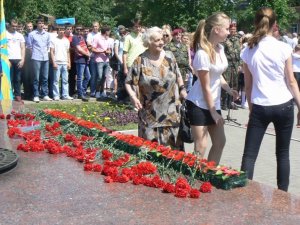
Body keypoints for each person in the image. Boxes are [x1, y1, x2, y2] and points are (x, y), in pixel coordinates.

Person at [240, 7, 300, 192]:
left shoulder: (248, 50)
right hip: (284, 105)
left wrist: (251, 109)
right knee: (282, 154)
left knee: (249, 155)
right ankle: (283, 195)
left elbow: (248, 86)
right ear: (275, 25)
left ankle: (243, 192)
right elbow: (291, 81)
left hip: (260, 105)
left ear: (255, 23)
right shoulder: (283, 47)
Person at [185, 12, 238, 164]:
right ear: (216, 29)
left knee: (220, 142)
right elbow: (205, 86)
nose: (229, 32)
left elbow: (217, 74)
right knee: (201, 146)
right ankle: (192, 179)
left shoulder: (220, 49)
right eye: (227, 28)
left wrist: (228, 89)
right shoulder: (202, 53)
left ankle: (208, 173)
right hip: (199, 104)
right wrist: (213, 113)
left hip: (213, 104)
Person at [125, 27, 187, 150]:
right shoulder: (140, 60)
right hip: (149, 115)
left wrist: (182, 89)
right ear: (149, 42)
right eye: (157, 40)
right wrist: (133, 97)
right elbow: (128, 82)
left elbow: (178, 76)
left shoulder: (170, 57)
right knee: (150, 152)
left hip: (171, 113)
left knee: (174, 154)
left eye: (162, 39)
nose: (161, 42)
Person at [27, 17, 51, 102]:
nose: (41, 25)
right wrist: (33, 55)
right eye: (39, 23)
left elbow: (48, 46)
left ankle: (44, 94)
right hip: (36, 58)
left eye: (42, 23)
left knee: (45, 77)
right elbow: (29, 47)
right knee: (36, 78)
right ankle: (36, 95)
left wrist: (46, 54)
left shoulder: (47, 34)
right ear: (36, 24)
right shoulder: (32, 34)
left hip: (45, 58)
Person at [50, 25, 73, 101]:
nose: (61, 31)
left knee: (65, 80)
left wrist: (69, 63)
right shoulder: (54, 40)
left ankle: (65, 95)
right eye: (60, 30)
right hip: (57, 62)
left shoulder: (66, 40)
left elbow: (68, 52)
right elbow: (52, 52)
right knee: (56, 81)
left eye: (63, 30)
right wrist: (54, 62)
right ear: (57, 31)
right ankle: (56, 95)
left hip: (65, 62)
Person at [221, 21, 241, 110]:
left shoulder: (237, 39)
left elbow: (240, 53)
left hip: (235, 64)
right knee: (226, 82)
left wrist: (240, 64)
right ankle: (224, 103)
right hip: (228, 64)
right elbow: (222, 52)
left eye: (234, 29)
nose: (233, 31)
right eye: (231, 29)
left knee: (234, 83)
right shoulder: (225, 39)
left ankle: (230, 102)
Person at [6, 19, 25, 102]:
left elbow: (23, 48)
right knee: (9, 78)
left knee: (17, 79)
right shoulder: (4, 34)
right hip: (8, 59)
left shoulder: (20, 35)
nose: (15, 28)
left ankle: (17, 95)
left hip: (18, 59)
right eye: (13, 26)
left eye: (16, 26)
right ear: (9, 25)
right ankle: (8, 95)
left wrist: (23, 59)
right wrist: (6, 60)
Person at [72, 24, 91, 101]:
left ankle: (82, 91)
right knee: (80, 77)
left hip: (85, 59)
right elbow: (79, 49)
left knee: (88, 76)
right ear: (75, 30)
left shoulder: (82, 37)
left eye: (81, 29)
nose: (79, 31)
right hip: (79, 60)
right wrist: (88, 54)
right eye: (77, 29)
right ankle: (80, 94)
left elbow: (86, 47)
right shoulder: (75, 38)